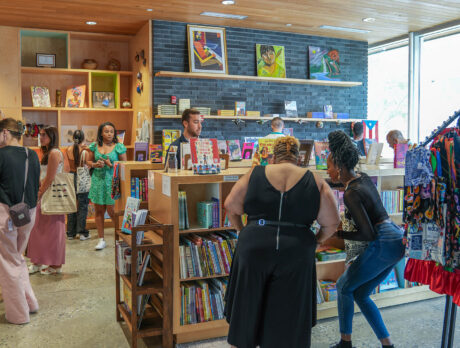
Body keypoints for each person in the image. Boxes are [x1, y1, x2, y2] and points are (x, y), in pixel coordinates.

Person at [224, 136, 340, 348]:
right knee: (290, 313)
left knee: (247, 309)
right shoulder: (314, 179)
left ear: (273, 156)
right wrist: (315, 241)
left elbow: (230, 206)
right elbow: (332, 223)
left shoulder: (255, 173)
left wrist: (243, 231)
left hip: (254, 246)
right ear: (299, 156)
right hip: (296, 250)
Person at [327, 130, 404, 348]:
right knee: (360, 293)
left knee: (343, 286)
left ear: (340, 167)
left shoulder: (351, 194)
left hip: (382, 242)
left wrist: (337, 234)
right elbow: (346, 186)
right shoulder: (362, 178)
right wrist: (324, 183)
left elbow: (367, 234)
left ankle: (345, 343)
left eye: (330, 167)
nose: (328, 170)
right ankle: (387, 344)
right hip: (396, 239)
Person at [0, 118, 40, 324]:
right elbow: (35, 184)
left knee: (8, 263)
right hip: (28, 213)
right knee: (17, 258)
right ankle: (30, 303)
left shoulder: (0, 155)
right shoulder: (31, 154)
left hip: (5, 214)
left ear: (5, 133)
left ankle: (18, 315)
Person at [28, 126, 70, 275]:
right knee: (39, 229)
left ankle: (55, 265)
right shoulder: (49, 152)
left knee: (52, 231)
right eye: (41, 135)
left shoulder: (54, 153)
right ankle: (38, 261)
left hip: (50, 196)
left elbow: (50, 178)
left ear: (52, 136)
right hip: (46, 195)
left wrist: (38, 194)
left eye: (44, 135)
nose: (41, 137)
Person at [87, 122, 127, 250]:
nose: (109, 134)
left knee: (112, 211)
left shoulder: (119, 147)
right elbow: (87, 161)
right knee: (99, 211)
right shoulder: (94, 146)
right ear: (101, 133)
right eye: (106, 131)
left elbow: (125, 165)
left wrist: (111, 165)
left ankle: (121, 237)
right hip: (98, 180)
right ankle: (101, 239)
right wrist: (94, 165)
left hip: (112, 181)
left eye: (111, 131)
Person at [65, 130, 90, 241]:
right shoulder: (84, 151)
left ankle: (70, 233)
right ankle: (82, 232)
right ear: (83, 138)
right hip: (81, 177)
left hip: (70, 177)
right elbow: (88, 165)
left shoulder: (68, 149)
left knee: (71, 205)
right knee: (83, 205)